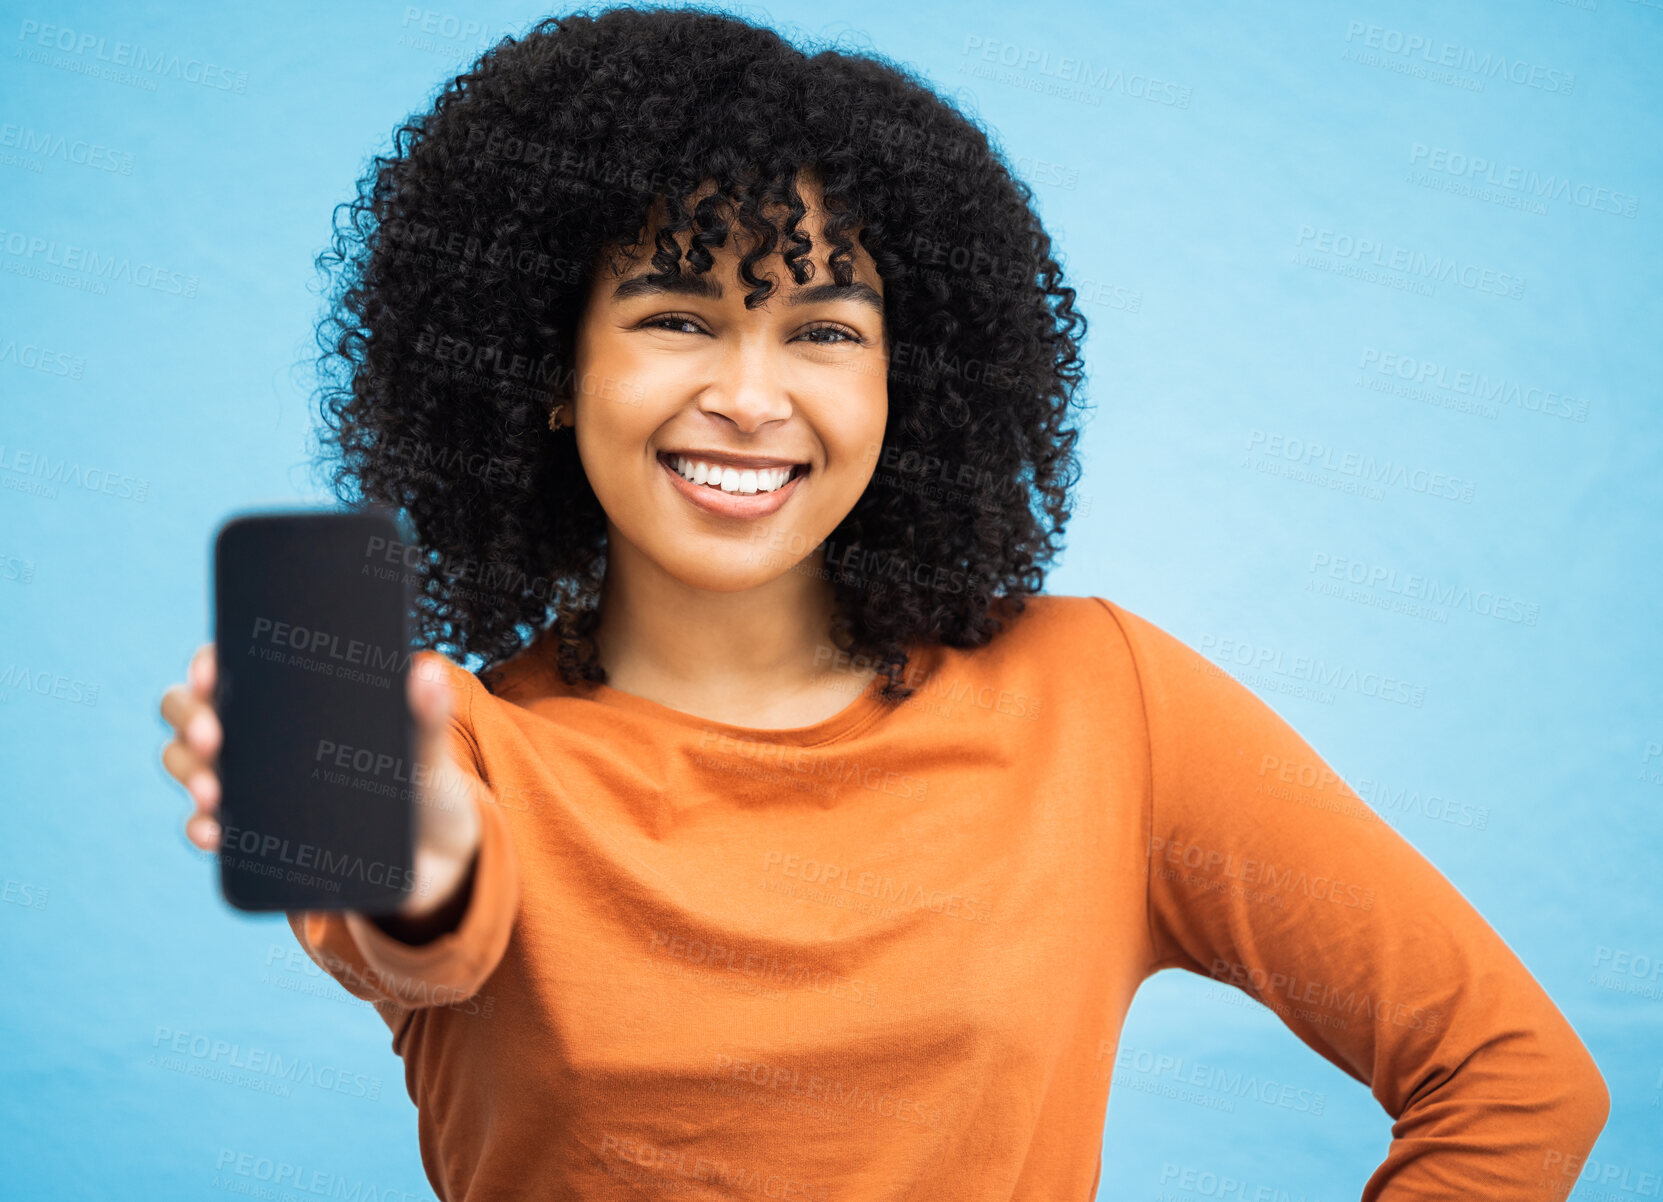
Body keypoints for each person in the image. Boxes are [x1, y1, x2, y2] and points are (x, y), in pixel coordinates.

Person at [158, 7, 1608, 1200]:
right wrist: (424, 863)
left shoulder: (1100, 701)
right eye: (675, 316)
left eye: (823, 331)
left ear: (905, 385)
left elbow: (1514, 1077)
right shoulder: (435, 745)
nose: (747, 394)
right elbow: (414, 933)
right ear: (548, 364)